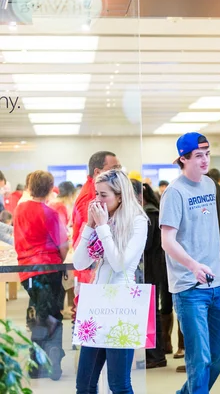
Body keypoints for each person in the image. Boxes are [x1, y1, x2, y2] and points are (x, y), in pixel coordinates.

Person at [160, 132, 220, 394]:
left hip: (217, 285)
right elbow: (167, 241)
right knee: (199, 358)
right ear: (183, 158)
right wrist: (193, 265)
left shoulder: (211, 186)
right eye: (199, 156)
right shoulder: (174, 193)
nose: (205, 161)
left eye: (207, 154)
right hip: (189, 287)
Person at [73, 169, 148, 393]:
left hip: (122, 305)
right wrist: (90, 226)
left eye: (103, 195)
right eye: (96, 193)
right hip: (97, 305)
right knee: (84, 384)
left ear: (120, 196)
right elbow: (79, 263)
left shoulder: (137, 221)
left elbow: (120, 265)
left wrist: (103, 227)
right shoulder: (103, 221)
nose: (97, 200)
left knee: (119, 384)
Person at [14, 170, 69, 381]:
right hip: (49, 268)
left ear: (28, 187)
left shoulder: (19, 211)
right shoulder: (51, 213)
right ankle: (53, 361)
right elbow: (63, 246)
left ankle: (36, 365)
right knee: (53, 316)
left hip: (27, 272)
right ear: (49, 188)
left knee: (40, 316)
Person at [131, 180, 168, 369]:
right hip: (150, 269)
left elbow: (145, 245)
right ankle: (154, 353)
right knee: (150, 311)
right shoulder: (148, 212)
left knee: (150, 312)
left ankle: (156, 354)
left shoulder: (149, 213)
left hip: (150, 270)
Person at [72, 151, 121, 287]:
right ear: (97, 172)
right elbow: (91, 240)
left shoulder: (92, 192)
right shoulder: (90, 197)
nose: (118, 174)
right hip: (92, 268)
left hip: (100, 270)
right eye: (113, 169)